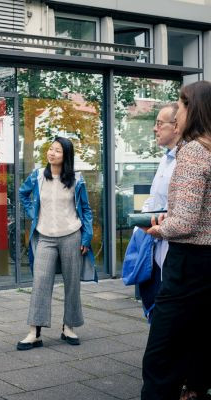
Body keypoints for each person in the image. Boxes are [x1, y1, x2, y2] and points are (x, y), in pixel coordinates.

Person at [141, 81, 211, 400]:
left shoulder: (193, 151)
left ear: (191, 110)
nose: (177, 112)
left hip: (187, 263)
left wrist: (158, 228)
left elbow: (184, 221)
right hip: (206, 264)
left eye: (180, 106)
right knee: (197, 342)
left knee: (161, 357)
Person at [17, 136, 95, 351]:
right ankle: (34, 332)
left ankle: (68, 327)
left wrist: (86, 238)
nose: (52, 153)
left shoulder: (77, 179)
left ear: (66, 156)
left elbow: (86, 210)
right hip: (45, 237)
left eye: (57, 151)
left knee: (72, 283)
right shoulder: (38, 176)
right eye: (51, 149)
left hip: (71, 235)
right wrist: (34, 214)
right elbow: (23, 194)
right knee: (40, 283)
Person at [137, 103, 180, 320]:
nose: (155, 128)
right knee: (151, 298)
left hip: (172, 245)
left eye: (160, 123)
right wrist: (141, 218)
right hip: (153, 242)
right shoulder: (165, 159)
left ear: (176, 126)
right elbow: (154, 199)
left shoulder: (184, 161)